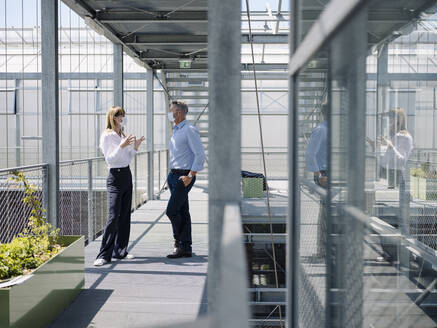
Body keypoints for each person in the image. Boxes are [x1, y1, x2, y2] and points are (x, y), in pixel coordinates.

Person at [94, 106, 145, 266]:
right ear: (113, 117)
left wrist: (134, 147)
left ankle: (121, 250)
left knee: (125, 215)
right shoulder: (107, 136)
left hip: (126, 175)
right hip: (115, 177)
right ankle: (103, 255)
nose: (122, 117)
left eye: (123, 115)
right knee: (113, 215)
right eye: (119, 115)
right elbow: (110, 159)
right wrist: (122, 146)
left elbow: (127, 158)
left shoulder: (121, 134)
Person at [166, 100, 205, 258]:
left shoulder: (189, 130)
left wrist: (190, 176)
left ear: (179, 113)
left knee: (171, 211)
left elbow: (200, 154)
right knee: (183, 211)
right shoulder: (176, 130)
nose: (170, 113)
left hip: (184, 176)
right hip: (173, 175)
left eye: (172, 110)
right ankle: (186, 247)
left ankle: (179, 242)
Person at [305, 103, 328, 258]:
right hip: (324, 175)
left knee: (328, 211)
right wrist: (319, 175)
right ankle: (322, 249)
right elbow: (310, 154)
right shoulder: (320, 130)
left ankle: (325, 248)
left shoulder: (332, 129)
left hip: (332, 174)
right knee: (325, 212)